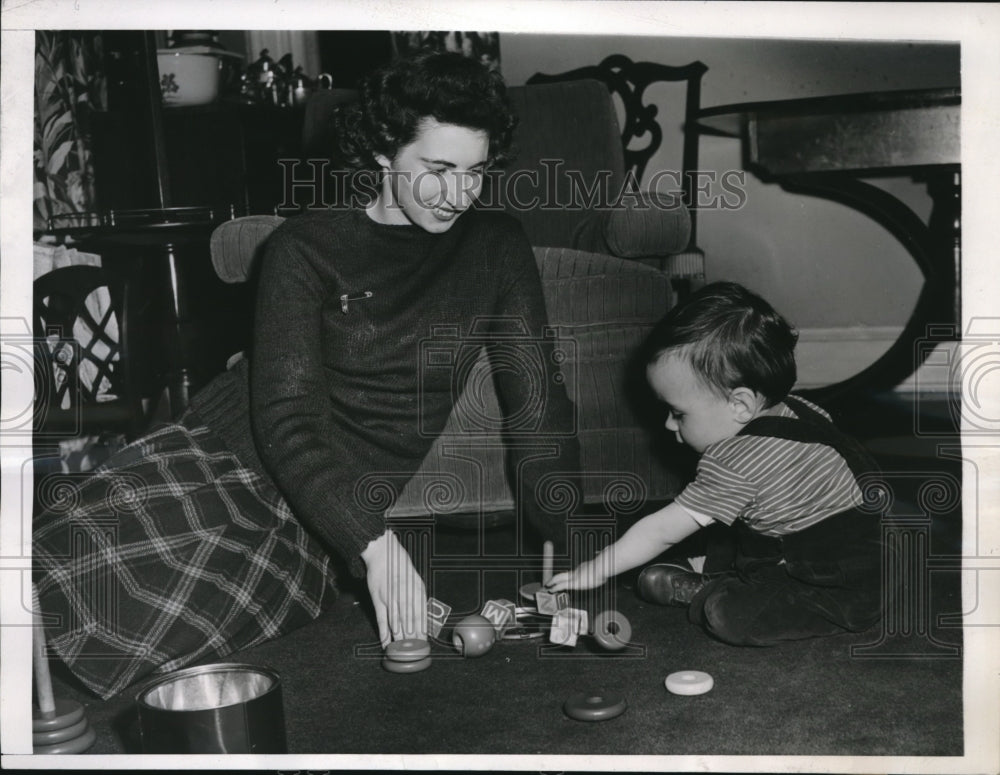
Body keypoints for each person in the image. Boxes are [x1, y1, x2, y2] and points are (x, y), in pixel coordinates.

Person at [33, 50, 579, 699]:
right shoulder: (305, 247)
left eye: (476, 172)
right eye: (439, 170)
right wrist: (374, 543)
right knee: (53, 569)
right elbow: (287, 419)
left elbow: (536, 400)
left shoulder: (497, 246)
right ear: (382, 153)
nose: (460, 195)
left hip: (321, 516)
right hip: (225, 451)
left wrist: (565, 532)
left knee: (145, 623)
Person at [547, 281, 883, 646]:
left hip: (840, 582)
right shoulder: (798, 407)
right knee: (727, 513)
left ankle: (710, 588)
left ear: (740, 404)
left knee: (728, 615)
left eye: (678, 413)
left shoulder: (734, 462)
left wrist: (598, 569)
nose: (668, 425)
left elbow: (662, 530)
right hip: (869, 535)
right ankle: (723, 566)